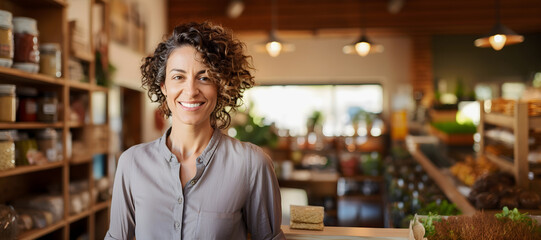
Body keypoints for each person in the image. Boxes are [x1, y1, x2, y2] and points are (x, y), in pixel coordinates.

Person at [105, 22, 285, 240]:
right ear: (163, 87)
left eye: (204, 77)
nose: (190, 91)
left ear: (220, 86)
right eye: (178, 77)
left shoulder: (252, 164)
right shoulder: (131, 163)